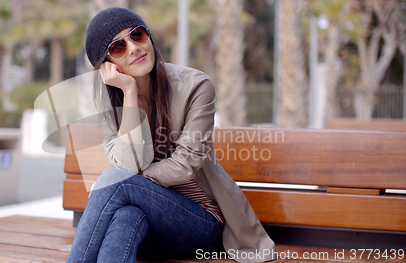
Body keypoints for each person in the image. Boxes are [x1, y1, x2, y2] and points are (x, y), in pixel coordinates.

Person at [66, 7, 276, 263]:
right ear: (107, 67)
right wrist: (130, 94)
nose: (133, 48)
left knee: (116, 179)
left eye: (137, 35)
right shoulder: (112, 103)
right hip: (150, 225)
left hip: (201, 222)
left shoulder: (196, 86)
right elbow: (126, 165)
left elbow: (186, 165)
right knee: (126, 216)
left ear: (149, 37)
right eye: (118, 47)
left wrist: (133, 182)